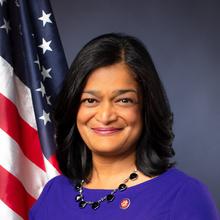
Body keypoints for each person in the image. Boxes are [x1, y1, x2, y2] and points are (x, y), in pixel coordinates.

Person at [29, 33, 220, 219]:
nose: (105, 116)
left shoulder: (184, 196)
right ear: (73, 108)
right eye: (90, 100)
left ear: (146, 108)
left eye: (124, 100)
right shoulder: (53, 194)